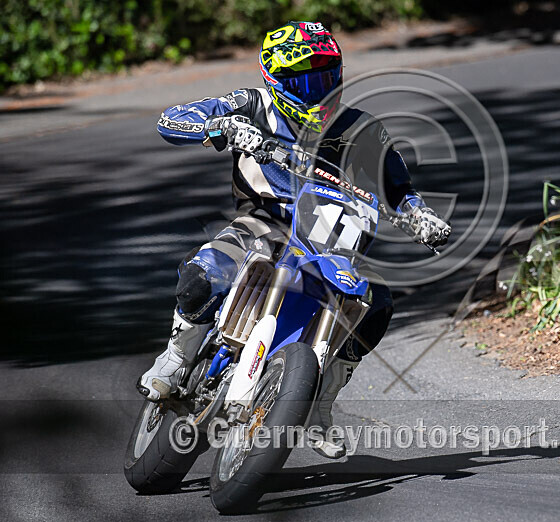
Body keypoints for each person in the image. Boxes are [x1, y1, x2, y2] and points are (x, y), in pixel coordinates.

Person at [137, 21, 450, 458]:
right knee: (205, 273)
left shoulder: (361, 129)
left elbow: (397, 185)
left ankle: (320, 405)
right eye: (304, 79)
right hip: (264, 222)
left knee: (376, 303)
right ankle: (177, 355)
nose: (317, 88)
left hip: (333, 239)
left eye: (325, 76)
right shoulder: (250, 103)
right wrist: (221, 128)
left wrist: (419, 215)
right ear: (275, 77)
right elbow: (173, 119)